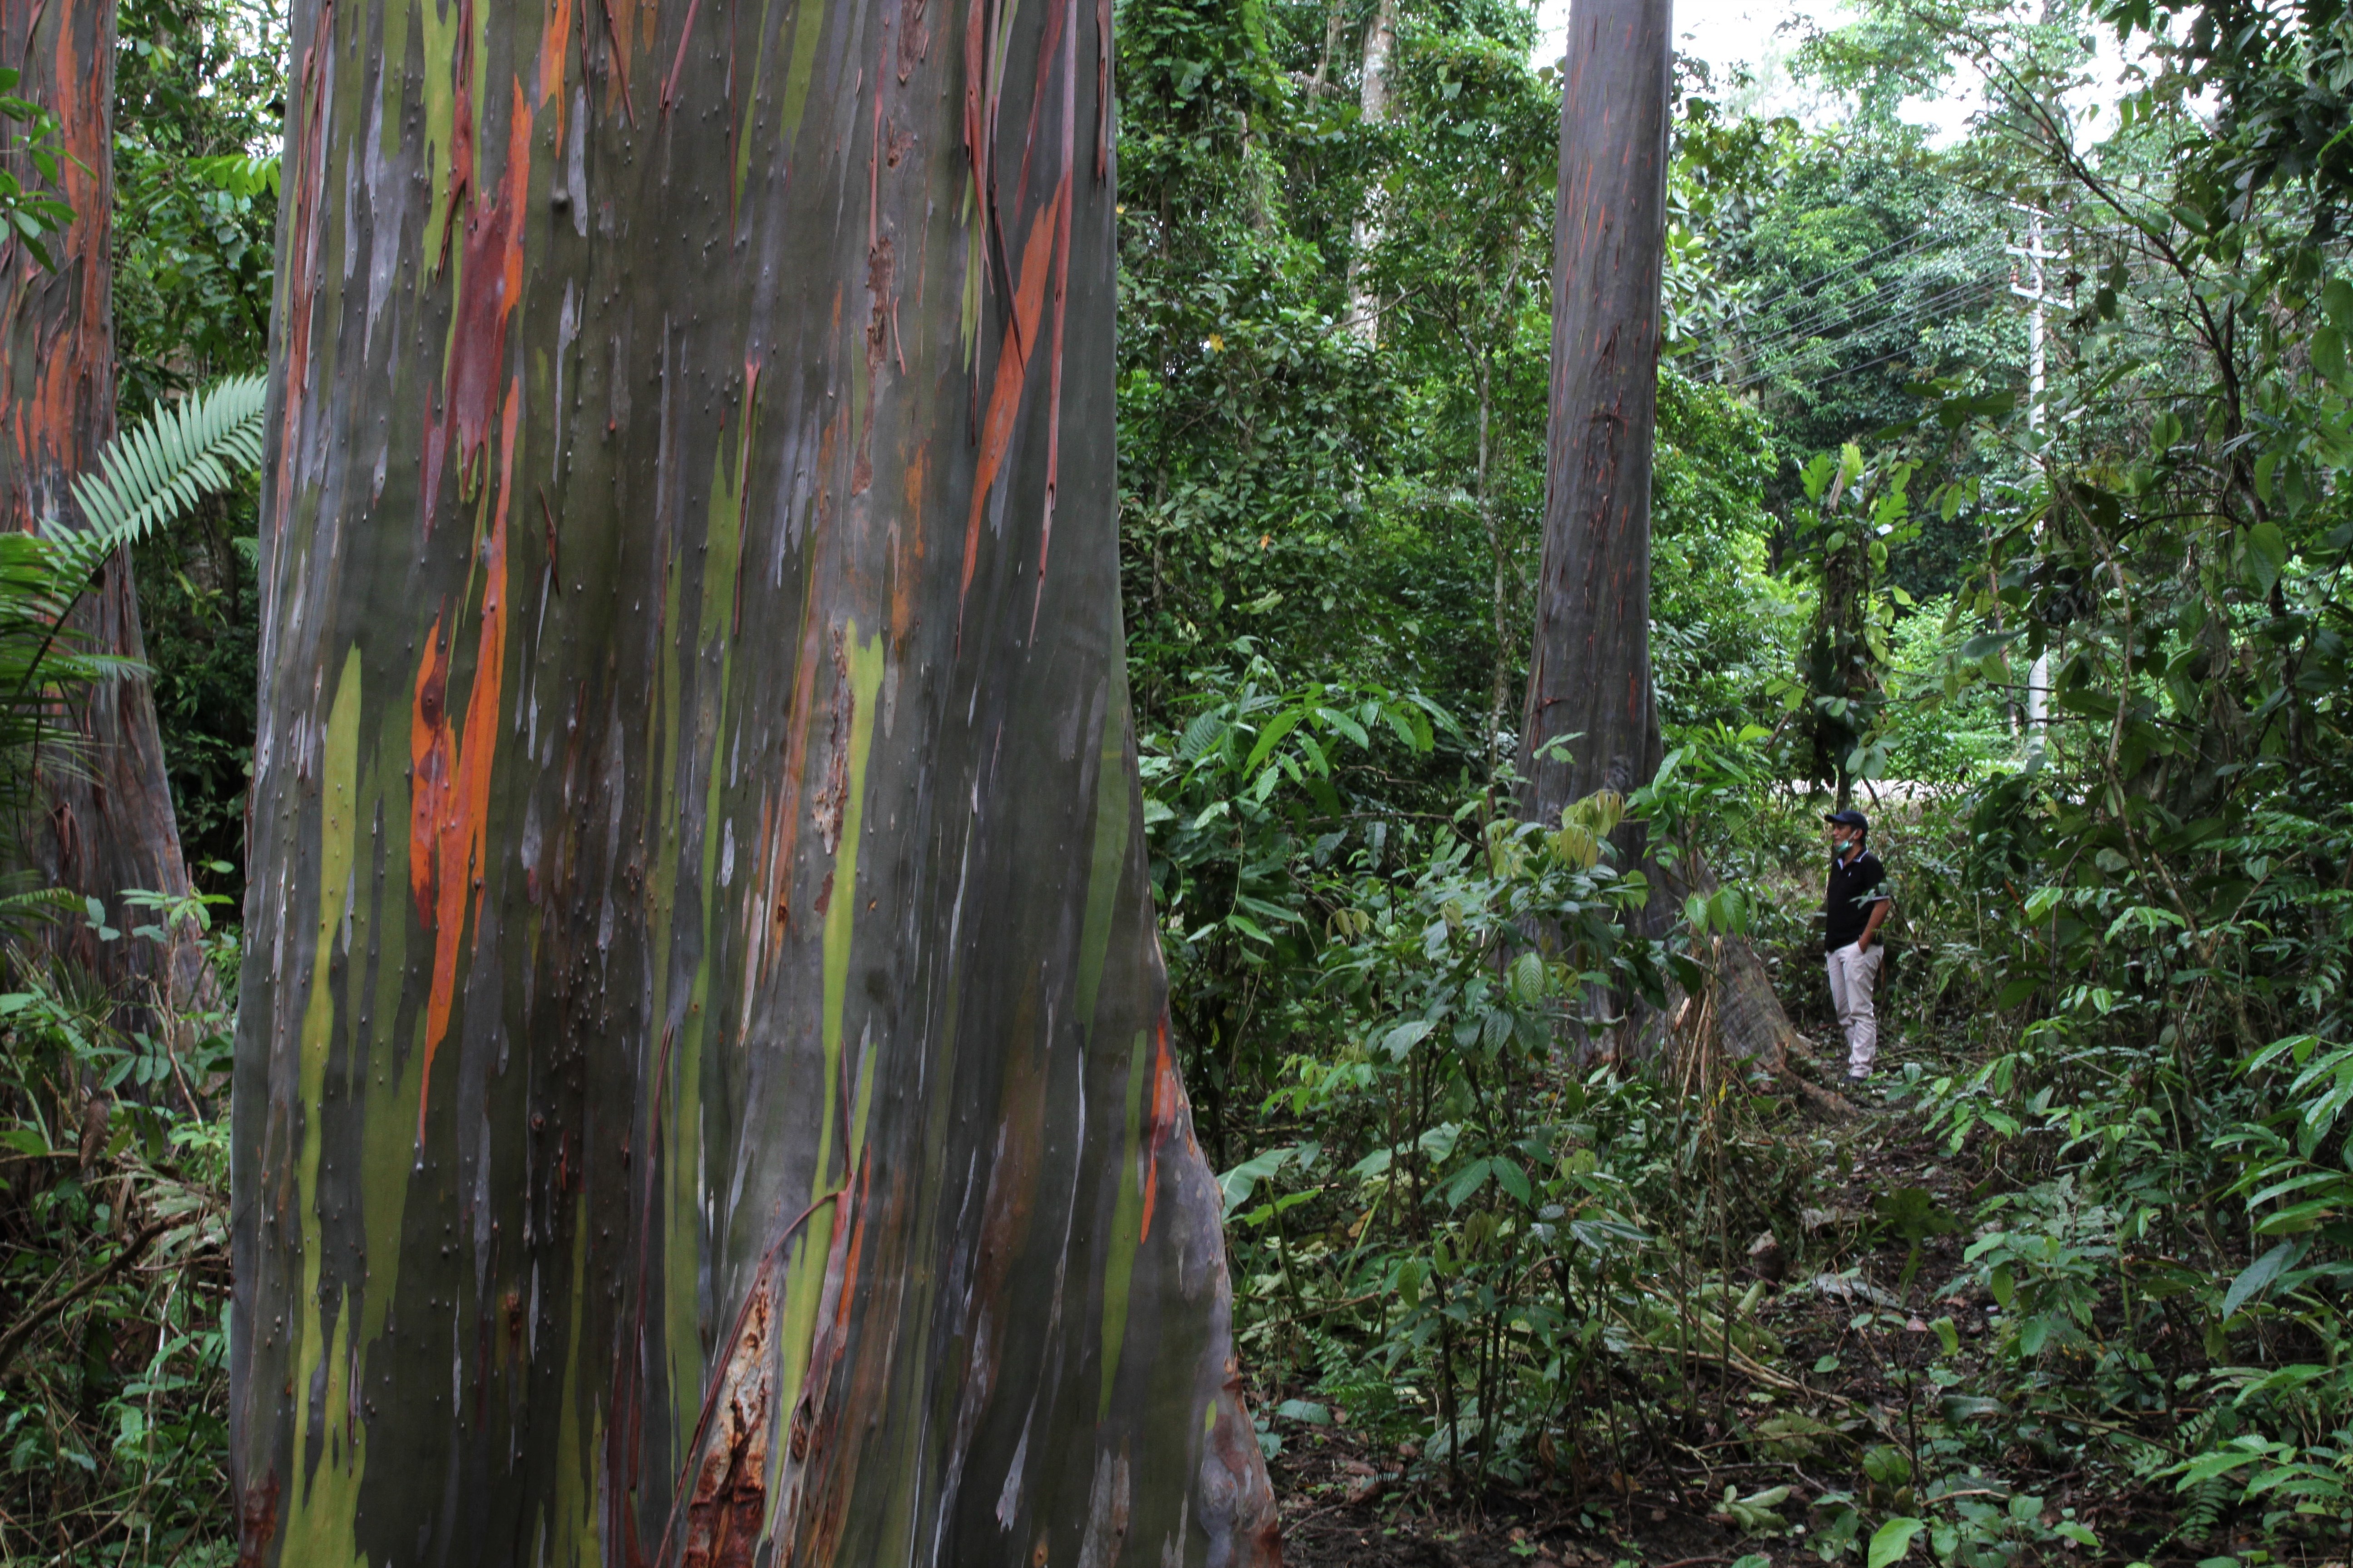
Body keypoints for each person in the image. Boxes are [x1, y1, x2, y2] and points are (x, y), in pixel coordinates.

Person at [1822, 808, 1892, 1084]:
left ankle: (1862, 1071)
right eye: (1835, 827)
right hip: (1836, 948)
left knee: (1860, 1009)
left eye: (1841, 828)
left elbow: (1883, 903)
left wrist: (1863, 943)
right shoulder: (1838, 865)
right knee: (1843, 1011)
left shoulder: (1869, 864)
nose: (1835, 832)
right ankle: (1856, 1064)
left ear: (1857, 833)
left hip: (1858, 948)